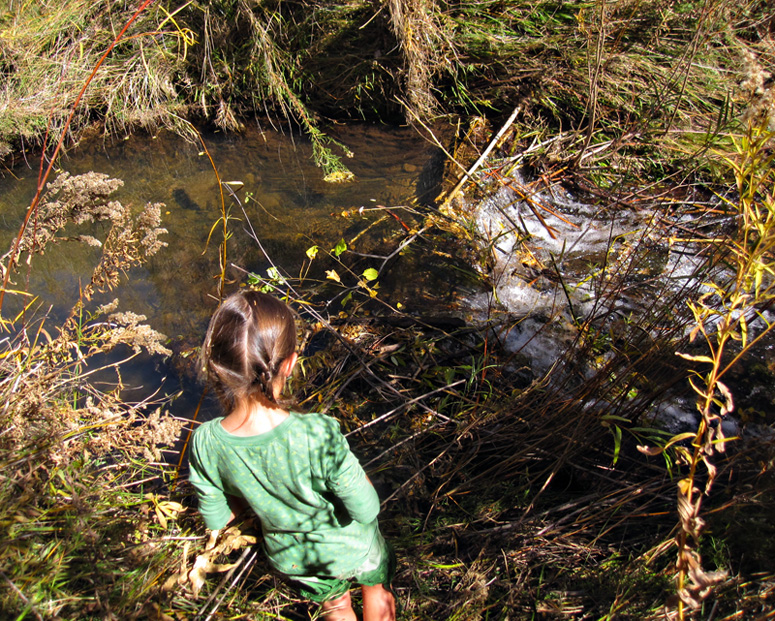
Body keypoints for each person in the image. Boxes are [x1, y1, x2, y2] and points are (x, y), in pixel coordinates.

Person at [188, 290, 396, 621]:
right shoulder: (316, 433)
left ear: (215, 365)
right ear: (290, 363)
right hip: (355, 548)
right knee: (375, 589)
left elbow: (218, 520)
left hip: (294, 560)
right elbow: (366, 508)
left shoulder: (205, 442)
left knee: (336, 606)